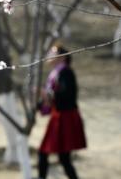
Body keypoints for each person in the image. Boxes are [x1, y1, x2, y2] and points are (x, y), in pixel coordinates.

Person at [37, 44, 87, 179]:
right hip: (58, 116)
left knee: (60, 156)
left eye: (53, 53)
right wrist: (40, 103)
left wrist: (46, 96)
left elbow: (65, 95)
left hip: (66, 117)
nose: (49, 56)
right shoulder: (56, 73)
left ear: (62, 57)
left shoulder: (66, 73)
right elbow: (51, 96)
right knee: (52, 154)